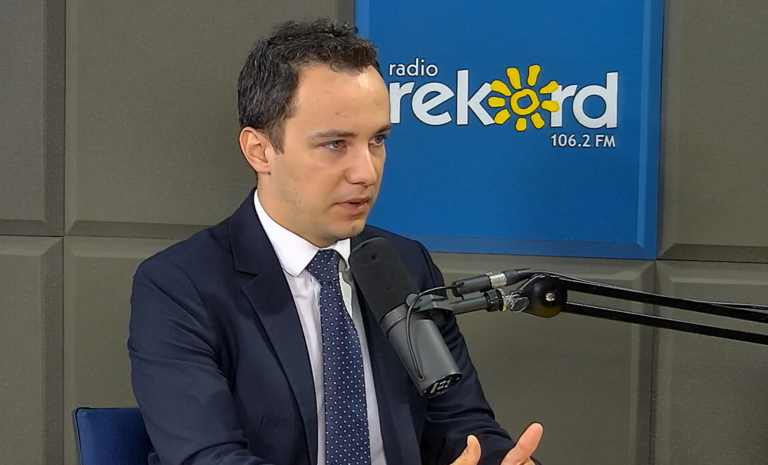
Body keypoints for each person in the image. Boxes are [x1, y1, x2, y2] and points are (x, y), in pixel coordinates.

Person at [128, 18, 543, 465]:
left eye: (377, 140)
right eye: (335, 144)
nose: (366, 172)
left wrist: (500, 460)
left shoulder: (404, 266)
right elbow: (207, 457)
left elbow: (460, 425)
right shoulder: (180, 286)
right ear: (259, 151)